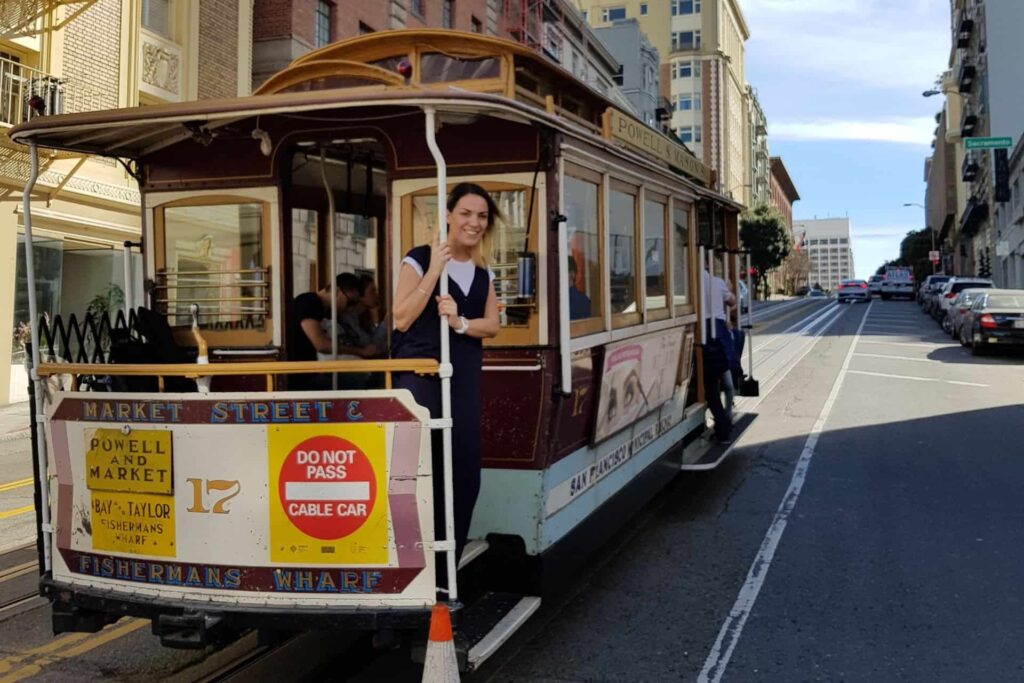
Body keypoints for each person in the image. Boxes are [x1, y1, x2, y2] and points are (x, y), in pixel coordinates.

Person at [391, 182, 501, 569]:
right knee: (424, 472)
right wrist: (435, 271)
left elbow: (492, 326)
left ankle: (446, 566)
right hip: (422, 376)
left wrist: (458, 322)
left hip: (465, 376)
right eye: (467, 213)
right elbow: (401, 317)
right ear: (450, 216)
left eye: (482, 216)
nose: (474, 222)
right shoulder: (419, 258)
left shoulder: (482, 272)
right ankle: (414, 566)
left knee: (465, 472)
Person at [286, 275, 351, 390]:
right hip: (299, 375)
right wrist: (361, 351)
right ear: (336, 291)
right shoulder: (309, 302)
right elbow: (321, 344)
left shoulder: (320, 308)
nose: (348, 308)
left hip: (308, 370)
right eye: (349, 302)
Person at [702, 266, 736, 442]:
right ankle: (727, 418)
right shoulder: (717, 282)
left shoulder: (690, 283)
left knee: (710, 388)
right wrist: (728, 290)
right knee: (726, 379)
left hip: (704, 335)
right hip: (720, 335)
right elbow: (733, 302)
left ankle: (722, 423)